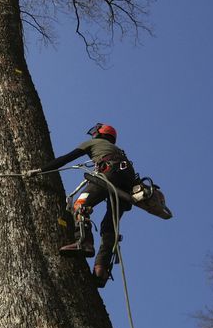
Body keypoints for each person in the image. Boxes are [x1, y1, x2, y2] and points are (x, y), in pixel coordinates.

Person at [24, 123, 136, 287]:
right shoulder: (119, 152)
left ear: (100, 133)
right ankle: (101, 270)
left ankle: (84, 242)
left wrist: (40, 170)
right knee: (109, 227)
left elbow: (66, 159)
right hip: (128, 185)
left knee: (80, 204)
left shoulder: (93, 144)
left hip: (109, 173)